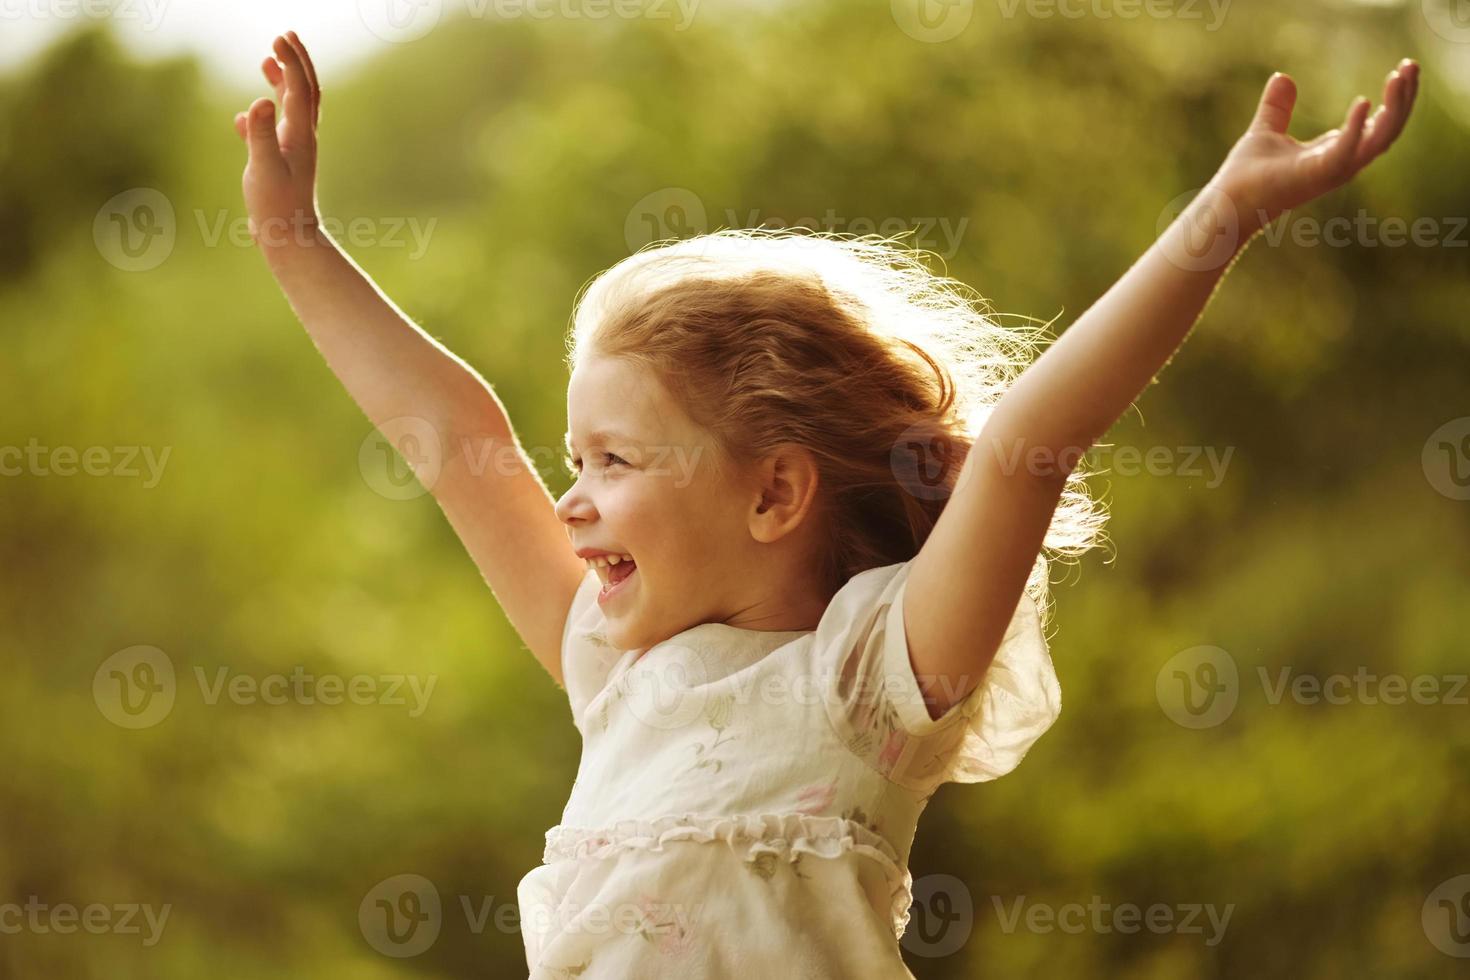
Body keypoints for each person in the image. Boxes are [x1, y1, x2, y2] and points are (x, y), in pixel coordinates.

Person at [234, 32, 1418, 976]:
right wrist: (294, 242)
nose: (569, 501)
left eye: (613, 461)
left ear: (777, 493)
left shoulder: (866, 684)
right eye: (576, 460)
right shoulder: (612, 664)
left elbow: (1025, 450)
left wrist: (1219, 221)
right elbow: (455, 441)